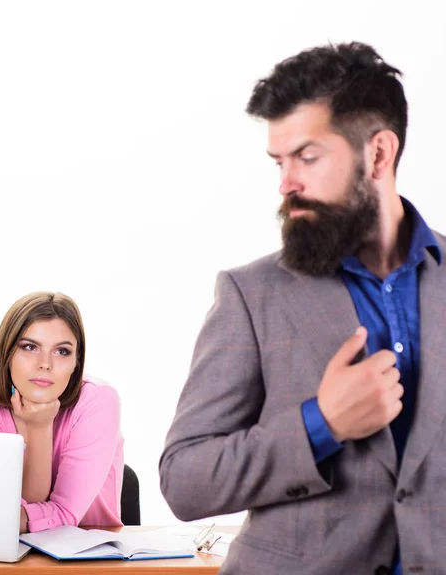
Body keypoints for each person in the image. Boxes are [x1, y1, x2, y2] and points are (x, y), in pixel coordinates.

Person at [159, 42, 446, 574]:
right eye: (279, 161)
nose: (286, 183)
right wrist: (323, 423)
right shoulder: (251, 294)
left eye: (307, 158)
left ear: (379, 153)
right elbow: (185, 479)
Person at [0, 291, 124, 533]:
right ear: (7, 353)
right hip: (4, 553)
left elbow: (62, 514)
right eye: (30, 347)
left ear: (77, 361)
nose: (45, 363)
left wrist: (40, 427)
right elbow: (7, 508)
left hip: (89, 557)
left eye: (62, 351)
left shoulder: (98, 400)